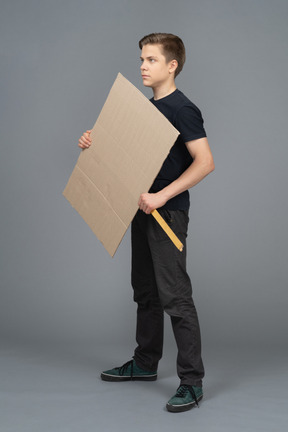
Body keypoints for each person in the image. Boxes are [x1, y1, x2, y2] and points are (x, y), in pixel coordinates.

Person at [78, 33, 214, 413]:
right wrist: (94, 142)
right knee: (145, 292)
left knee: (175, 297)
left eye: (151, 60)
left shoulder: (183, 109)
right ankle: (144, 363)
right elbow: (125, 157)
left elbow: (205, 162)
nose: (142, 65)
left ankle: (192, 381)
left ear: (172, 66)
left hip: (166, 213)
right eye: (141, 58)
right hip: (140, 207)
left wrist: (162, 196)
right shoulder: (140, 109)